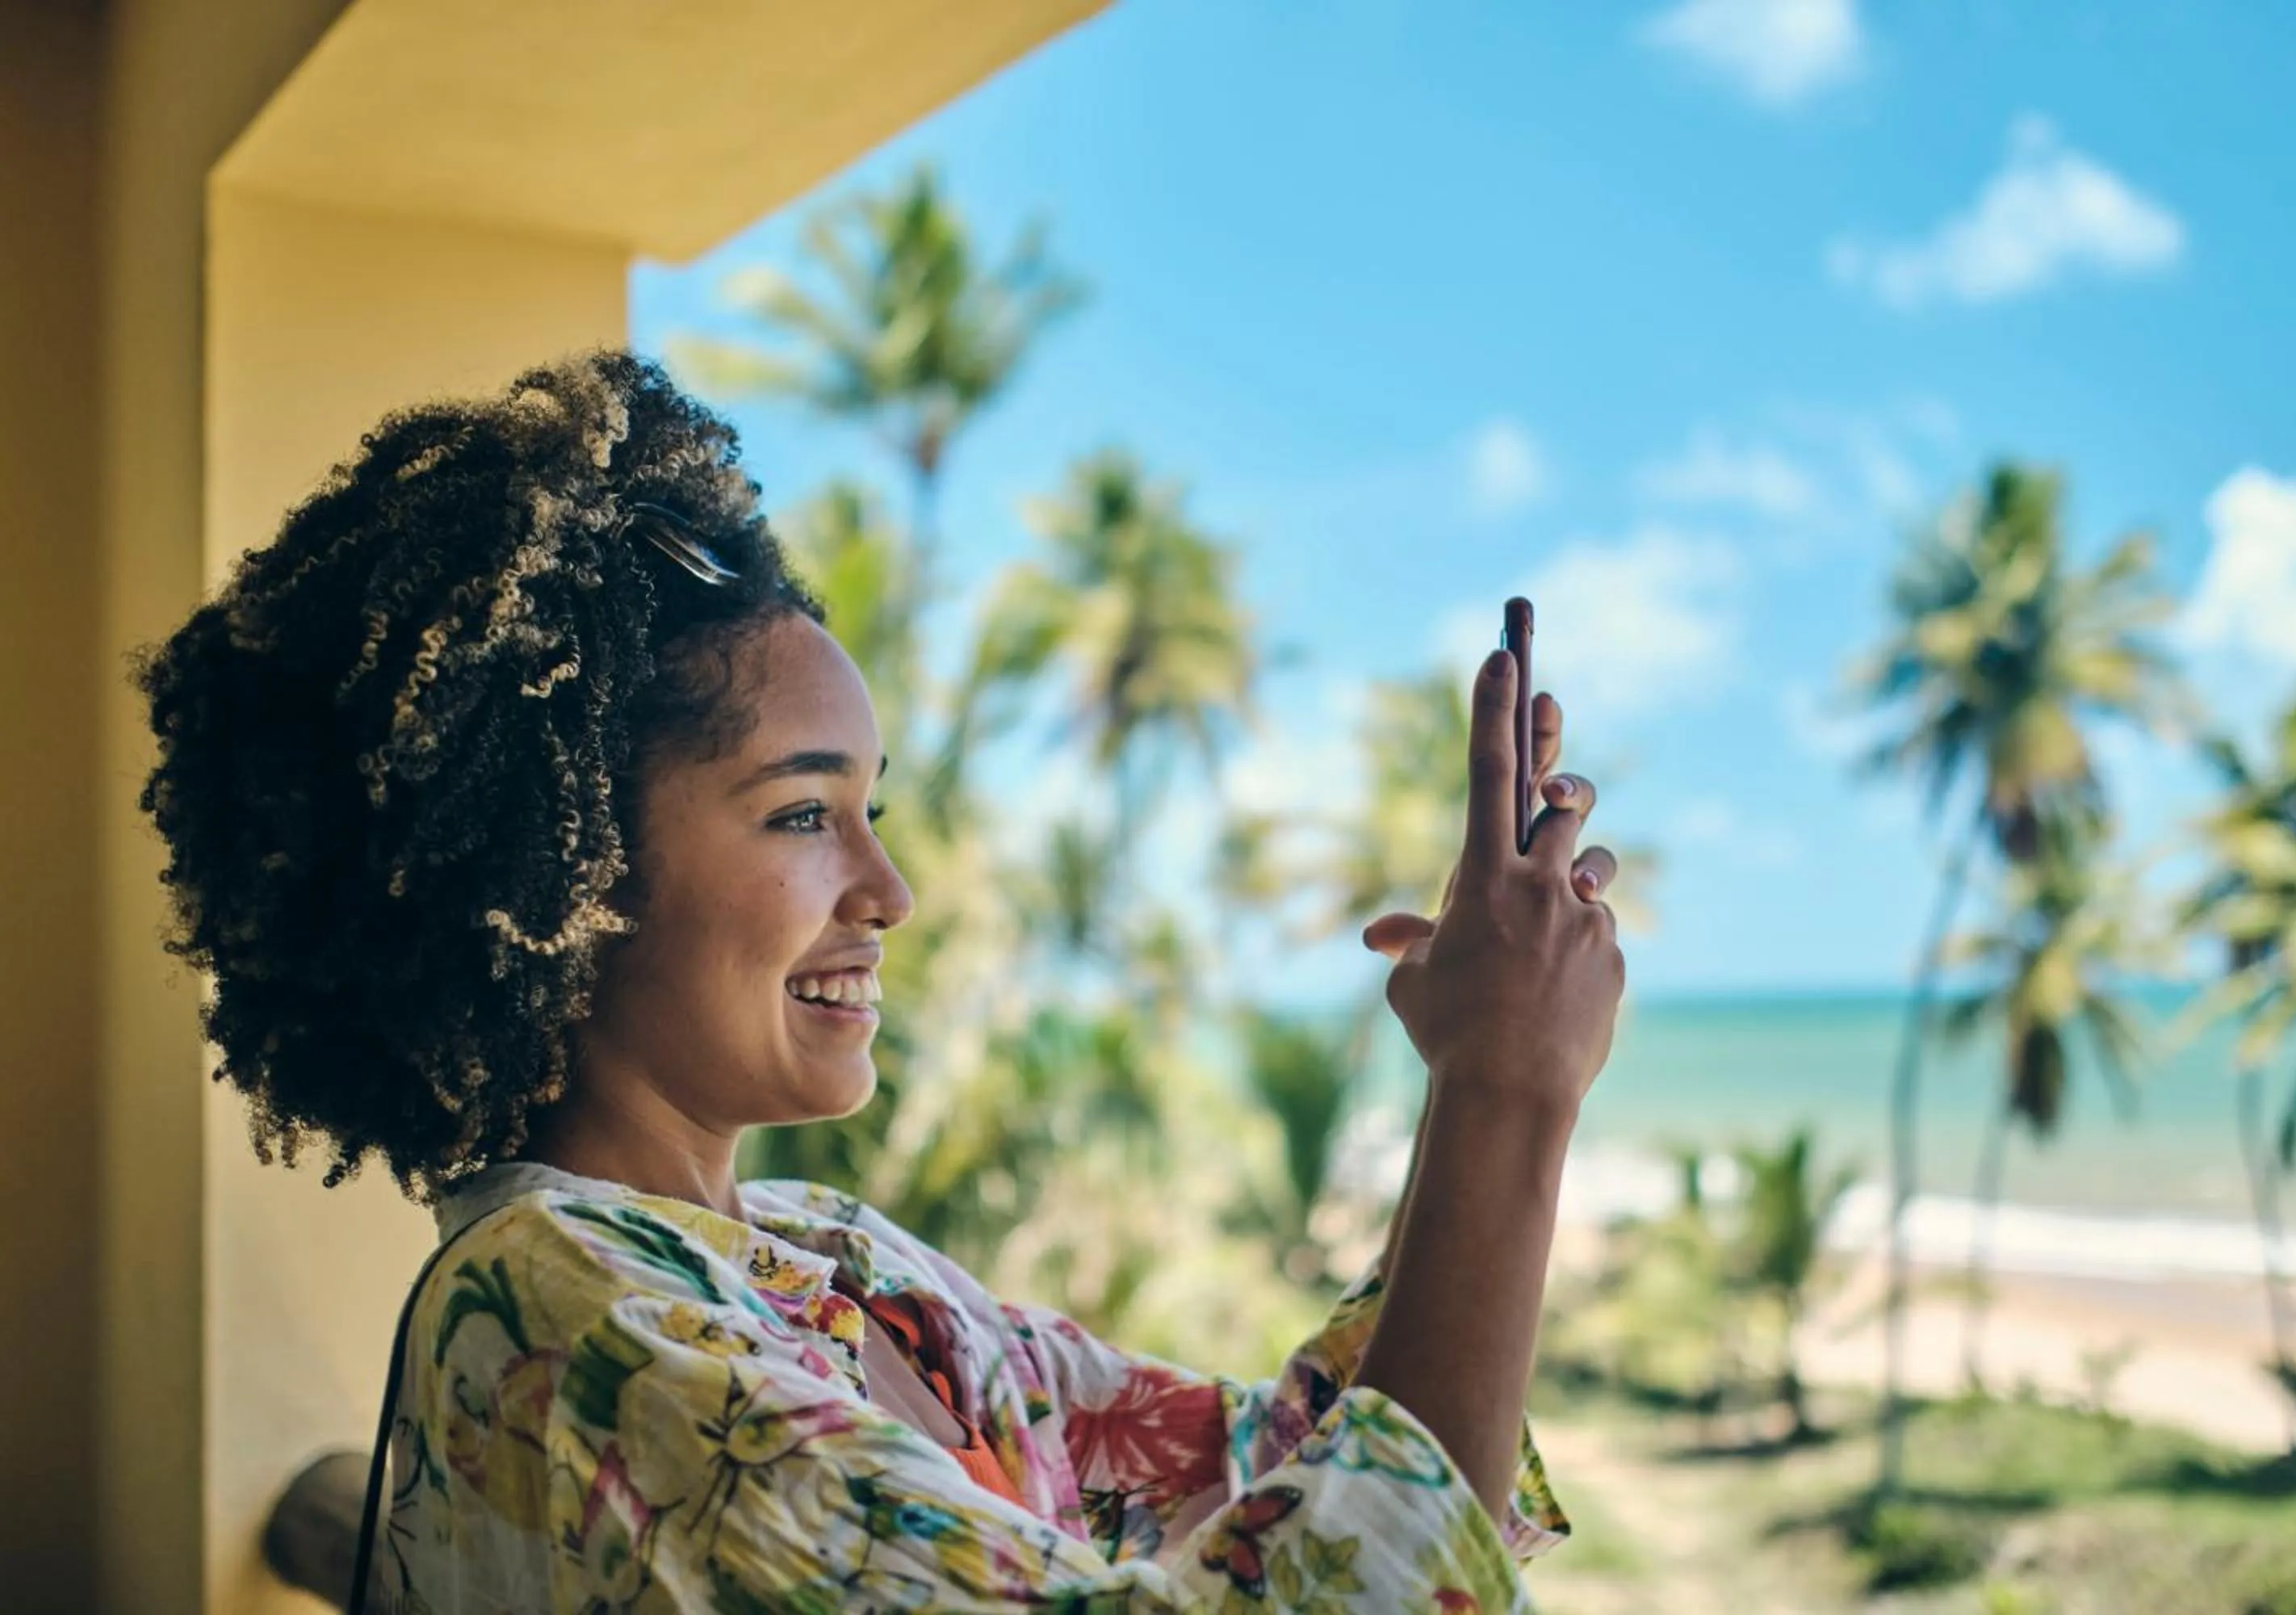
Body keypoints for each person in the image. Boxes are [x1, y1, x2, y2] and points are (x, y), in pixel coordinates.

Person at [134, 349, 1625, 1612]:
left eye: (874, 812)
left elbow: (1248, 1480)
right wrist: (1509, 1096)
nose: (889, 894)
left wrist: (1473, 1077)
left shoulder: (827, 1262)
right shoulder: (569, 1322)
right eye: (800, 814)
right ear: (558, 883)